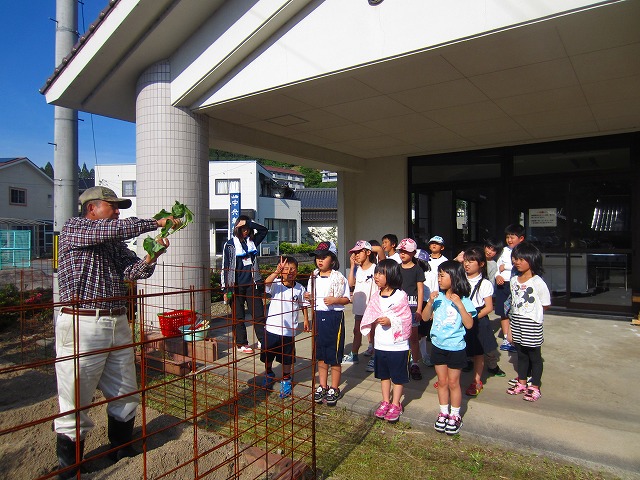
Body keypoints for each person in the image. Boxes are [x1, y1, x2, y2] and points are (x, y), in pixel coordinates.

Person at [55, 186, 179, 478]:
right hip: (82, 323)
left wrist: (153, 255)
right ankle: (70, 468)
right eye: (113, 206)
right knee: (76, 397)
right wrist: (157, 222)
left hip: (116, 321)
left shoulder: (111, 244)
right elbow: (114, 230)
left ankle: (122, 448)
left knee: (125, 389)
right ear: (92, 209)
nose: (118, 211)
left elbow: (133, 273)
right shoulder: (74, 229)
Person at [421, 261, 476, 435]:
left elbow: (469, 324)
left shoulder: (464, 299)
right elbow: (424, 318)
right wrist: (429, 302)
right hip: (438, 346)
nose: (439, 279)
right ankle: (443, 412)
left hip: (456, 347)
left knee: (453, 383)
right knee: (442, 382)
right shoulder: (437, 298)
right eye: (438, 275)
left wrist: (459, 305)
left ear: (454, 277)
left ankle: (455, 415)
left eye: (442, 275)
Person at [360, 259, 413, 423]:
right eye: (376, 272)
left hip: (398, 345)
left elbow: (406, 318)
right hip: (381, 343)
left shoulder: (400, 296)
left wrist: (391, 321)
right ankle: (385, 401)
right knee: (384, 375)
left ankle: (396, 404)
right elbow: (370, 313)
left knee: (397, 376)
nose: (376, 276)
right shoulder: (376, 296)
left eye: (381, 273)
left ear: (391, 275)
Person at [305, 241, 350, 406]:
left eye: (324, 257)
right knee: (321, 353)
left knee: (334, 354)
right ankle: (322, 385)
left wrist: (335, 300)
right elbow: (310, 295)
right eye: (318, 257)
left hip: (334, 317)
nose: (320, 260)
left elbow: (347, 299)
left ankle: (334, 387)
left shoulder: (339, 278)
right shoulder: (313, 276)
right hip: (318, 315)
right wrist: (307, 297)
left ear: (333, 259)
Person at [506, 242, 551, 402]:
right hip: (517, 321)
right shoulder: (513, 280)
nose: (517, 262)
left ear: (532, 260)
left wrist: (532, 314)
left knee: (534, 356)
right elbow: (513, 302)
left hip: (531, 323)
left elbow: (546, 304)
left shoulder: (538, 282)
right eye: (515, 258)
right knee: (521, 354)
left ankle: (535, 386)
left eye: (521, 259)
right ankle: (522, 382)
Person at [260, 256, 309, 398]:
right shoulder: (276, 284)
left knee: (287, 358)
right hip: (272, 329)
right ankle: (269, 373)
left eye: (293, 268)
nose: (289, 271)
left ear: (297, 271)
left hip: (289, 331)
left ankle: (286, 379)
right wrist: (276, 271)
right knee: (268, 355)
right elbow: (266, 283)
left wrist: (306, 319)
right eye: (286, 268)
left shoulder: (300, 288)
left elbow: (303, 304)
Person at [221, 215, 268, 354]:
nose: (246, 231)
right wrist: (225, 289)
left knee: (258, 314)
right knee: (238, 315)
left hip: (252, 283)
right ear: (237, 228)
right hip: (234, 285)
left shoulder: (252, 241)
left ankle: (262, 339)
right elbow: (225, 266)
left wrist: (248, 222)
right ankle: (242, 343)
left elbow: (264, 230)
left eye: (247, 228)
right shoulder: (229, 244)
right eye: (243, 228)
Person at [461, 246, 501, 397]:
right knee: (459, 350)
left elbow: (489, 307)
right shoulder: (459, 279)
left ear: (481, 264)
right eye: (465, 261)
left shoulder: (485, 284)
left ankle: (476, 381)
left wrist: (472, 317)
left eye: (471, 261)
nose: (467, 264)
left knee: (478, 353)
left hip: (478, 319)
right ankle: (452, 379)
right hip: (461, 318)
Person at [396, 238, 425, 381]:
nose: (402, 254)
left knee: (413, 338)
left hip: (413, 308)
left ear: (413, 253)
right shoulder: (396, 268)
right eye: (401, 251)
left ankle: (415, 363)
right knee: (399, 336)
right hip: (398, 309)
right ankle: (401, 361)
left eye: (406, 251)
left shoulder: (417, 269)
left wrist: (419, 309)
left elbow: (420, 290)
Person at [343, 240, 376, 365]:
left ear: (368, 252)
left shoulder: (375, 268)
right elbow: (350, 284)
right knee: (356, 331)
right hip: (359, 306)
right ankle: (354, 354)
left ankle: (374, 357)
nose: (356, 255)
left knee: (373, 332)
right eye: (354, 253)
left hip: (372, 307)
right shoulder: (357, 269)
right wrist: (352, 266)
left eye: (359, 252)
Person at [495, 224, 525, 353]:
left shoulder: (524, 251)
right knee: (504, 312)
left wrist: (505, 267)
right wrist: (497, 276)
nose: (509, 240)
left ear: (521, 238)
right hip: (503, 284)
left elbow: (517, 267)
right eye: (507, 237)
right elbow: (497, 267)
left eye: (512, 237)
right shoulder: (503, 251)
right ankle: (507, 338)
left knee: (516, 312)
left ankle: (517, 338)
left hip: (517, 285)